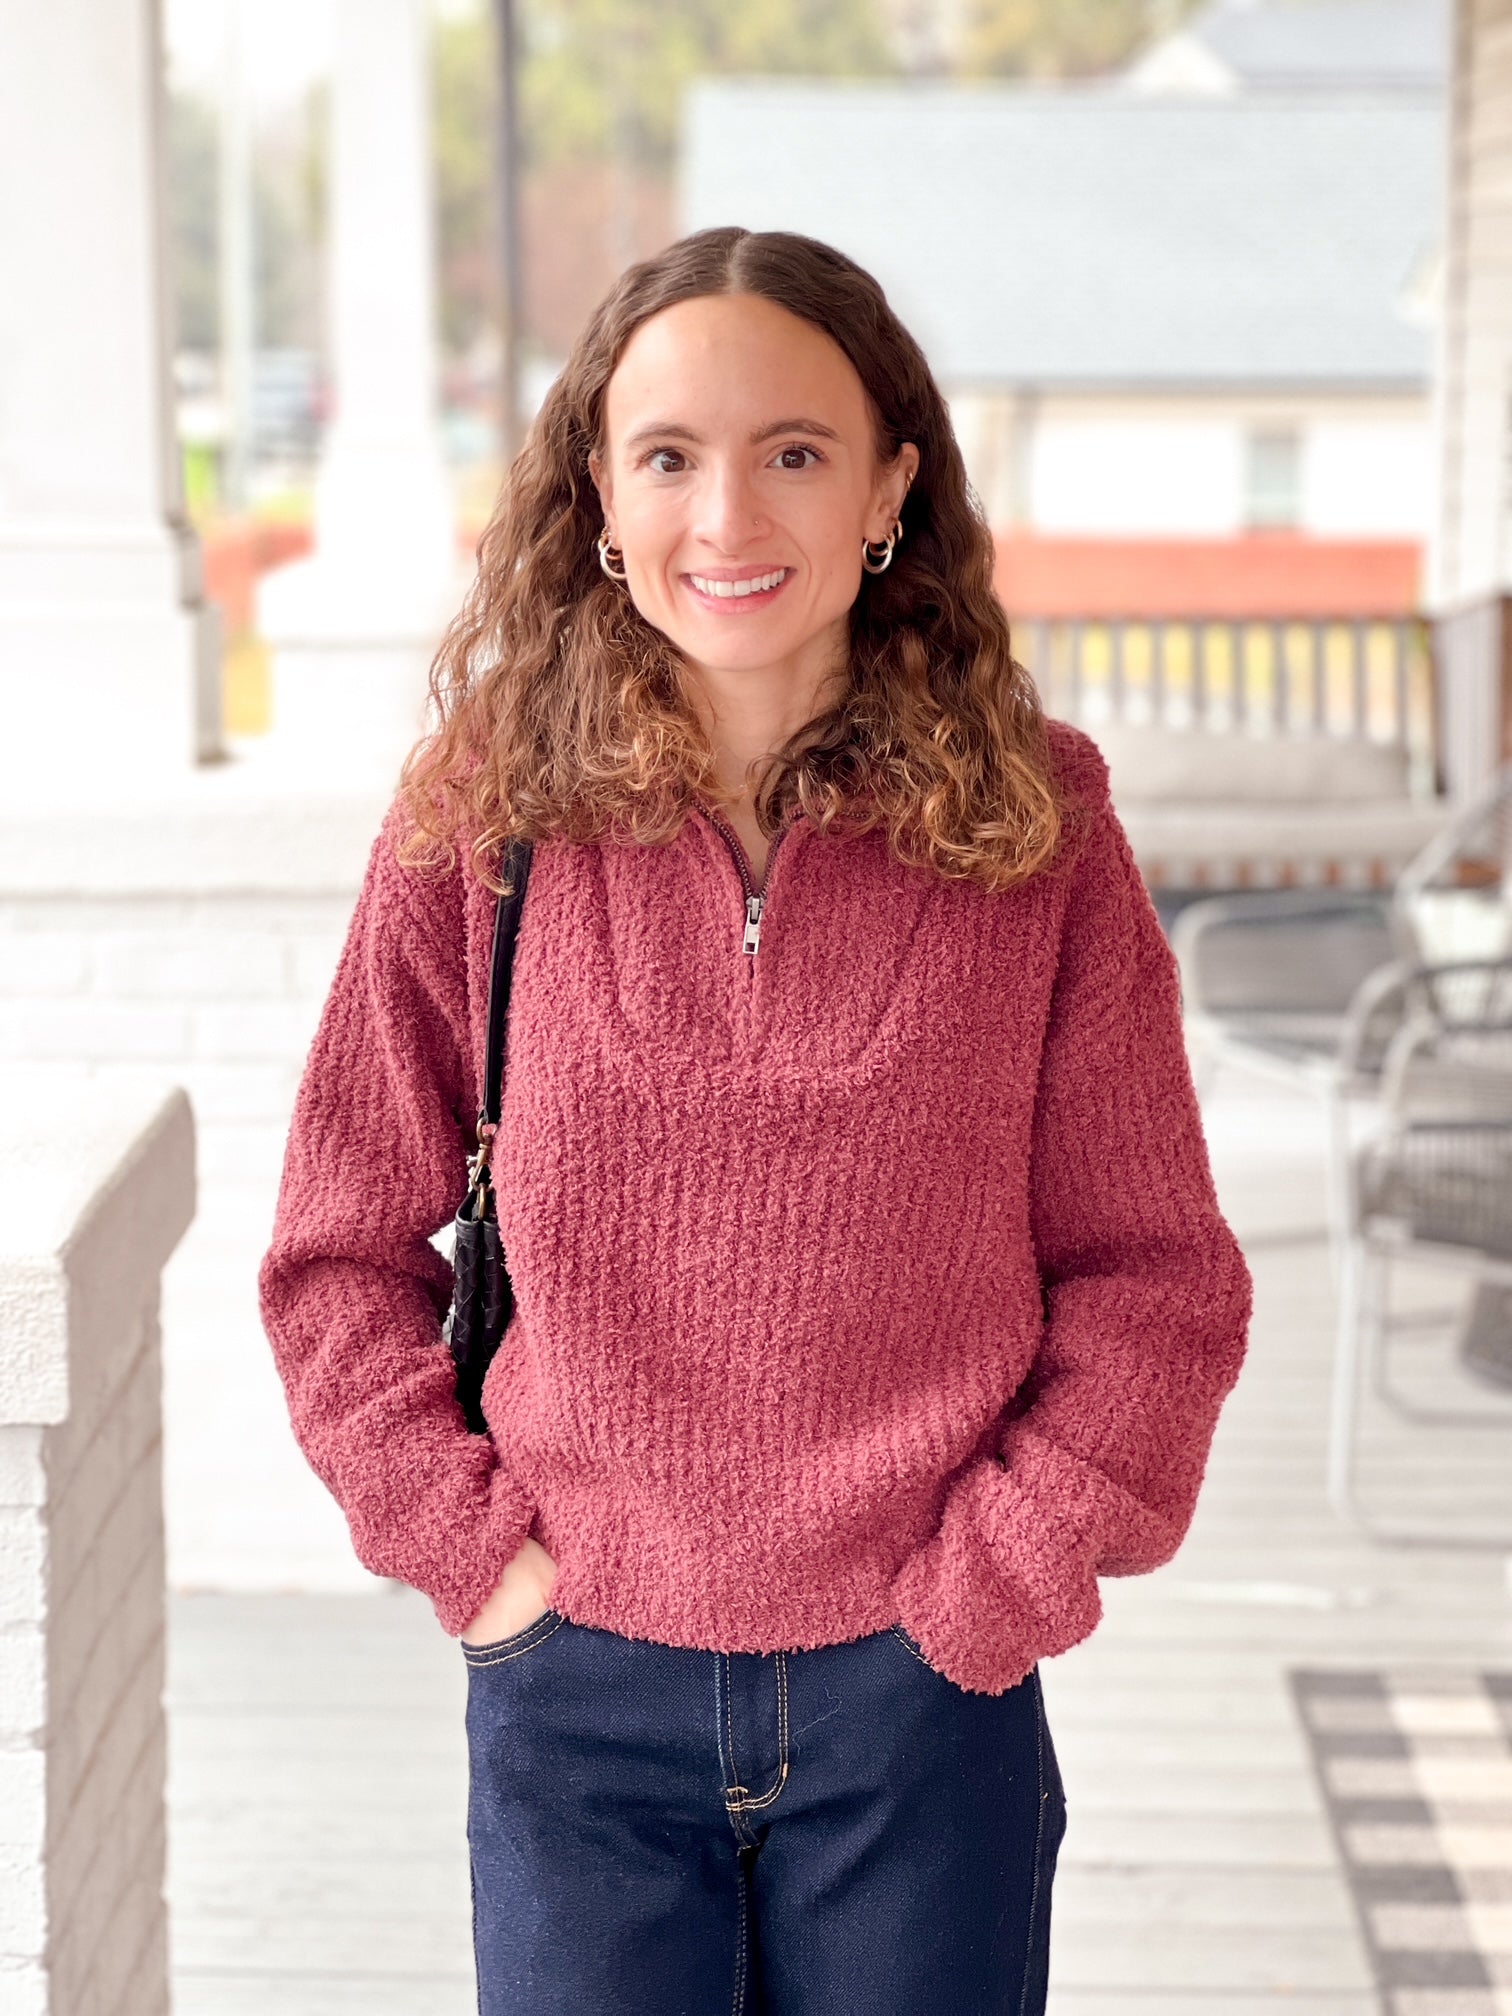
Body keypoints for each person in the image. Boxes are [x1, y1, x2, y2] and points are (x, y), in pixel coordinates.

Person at [257, 225, 1252, 2015]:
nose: (731, 517)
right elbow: (336, 1250)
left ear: (889, 486)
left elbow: (1155, 1278)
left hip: (919, 1705)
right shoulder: (484, 825)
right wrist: (478, 1560)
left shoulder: (1045, 832)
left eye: (794, 451)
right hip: (578, 1692)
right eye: (670, 457)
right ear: (601, 499)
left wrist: (987, 1590)